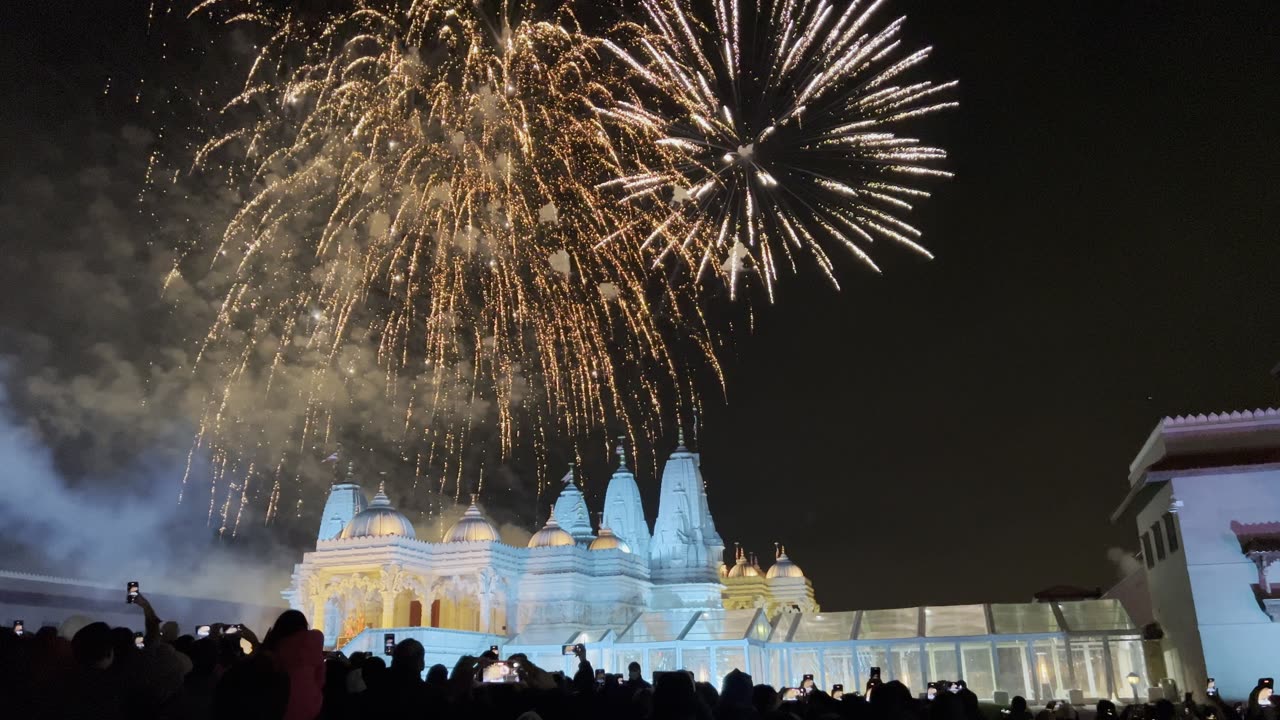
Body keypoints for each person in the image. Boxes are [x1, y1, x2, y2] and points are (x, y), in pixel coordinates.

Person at [262, 609, 325, 720]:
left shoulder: (276, 647)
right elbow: (320, 680)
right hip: (310, 706)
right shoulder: (314, 646)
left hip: (278, 707)